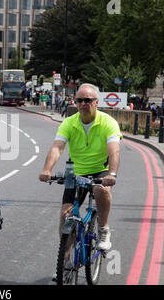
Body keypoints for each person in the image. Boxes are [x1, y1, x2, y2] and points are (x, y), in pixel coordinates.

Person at [39, 83, 122, 254]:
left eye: (87, 100)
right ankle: (65, 262)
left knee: (102, 191)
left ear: (96, 102)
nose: (83, 104)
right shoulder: (69, 123)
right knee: (65, 216)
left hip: (100, 170)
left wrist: (112, 174)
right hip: (76, 172)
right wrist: (47, 169)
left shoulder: (108, 122)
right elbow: (57, 147)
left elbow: (114, 150)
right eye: (79, 100)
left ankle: (103, 229)